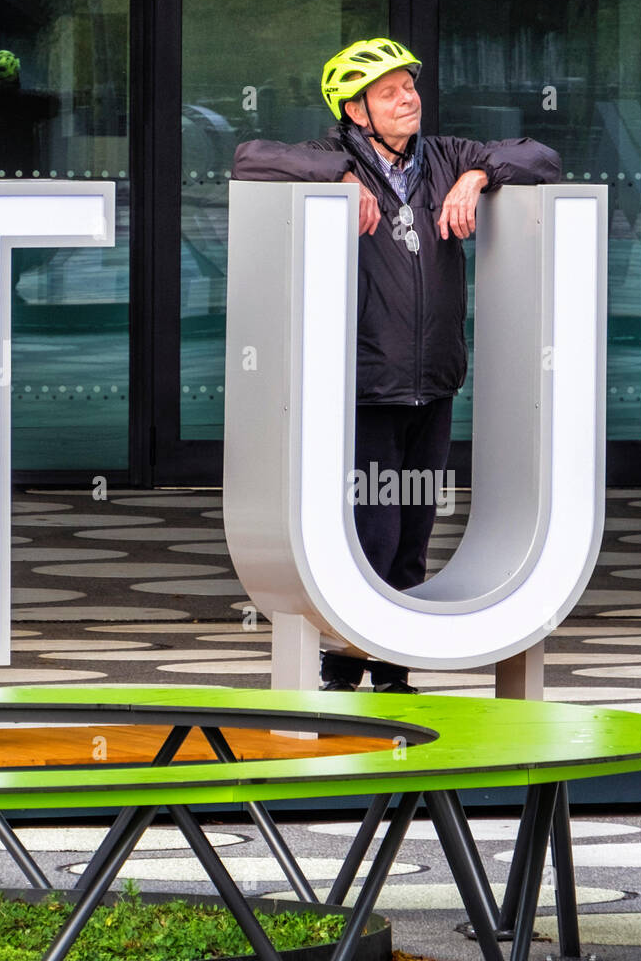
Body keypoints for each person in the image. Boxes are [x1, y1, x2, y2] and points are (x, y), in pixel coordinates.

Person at [233, 37, 561, 692]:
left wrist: (478, 175)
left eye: (410, 85)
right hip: (366, 386)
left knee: (414, 536)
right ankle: (346, 656)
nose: (408, 98)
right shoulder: (332, 158)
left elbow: (541, 155)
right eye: (390, 92)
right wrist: (342, 178)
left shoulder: (443, 157)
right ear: (357, 111)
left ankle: (389, 663)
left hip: (433, 384)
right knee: (372, 533)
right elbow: (250, 157)